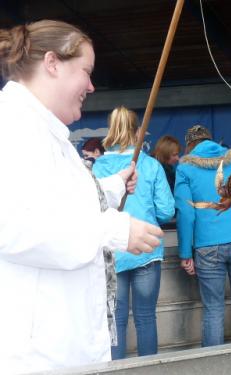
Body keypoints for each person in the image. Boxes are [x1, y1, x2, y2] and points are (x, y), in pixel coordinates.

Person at [0, 20, 164, 374]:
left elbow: (57, 201)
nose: (91, 86)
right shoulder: (12, 128)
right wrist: (114, 230)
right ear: (52, 63)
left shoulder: (41, 130)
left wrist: (113, 186)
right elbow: (14, 228)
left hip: (63, 347)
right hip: (39, 356)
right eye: (86, 72)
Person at [93, 106, 175, 359]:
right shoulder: (149, 165)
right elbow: (166, 211)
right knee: (145, 318)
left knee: (115, 323)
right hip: (146, 250)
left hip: (113, 252)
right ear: (137, 131)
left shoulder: (97, 168)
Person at [175, 125, 231, 347]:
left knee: (213, 310)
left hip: (207, 245)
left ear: (190, 145)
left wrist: (185, 252)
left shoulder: (185, 168)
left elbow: (186, 212)